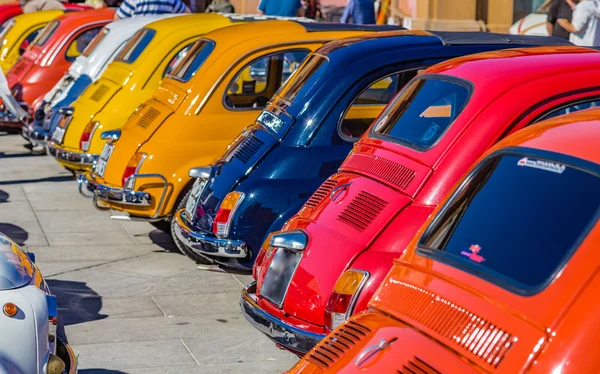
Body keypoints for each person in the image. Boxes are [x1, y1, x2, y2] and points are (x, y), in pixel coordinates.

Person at [115, 0, 190, 19]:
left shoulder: (134, 1)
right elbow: (188, 14)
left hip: (138, 41)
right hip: (161, 40)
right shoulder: (170, 1)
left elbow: (117, 21)